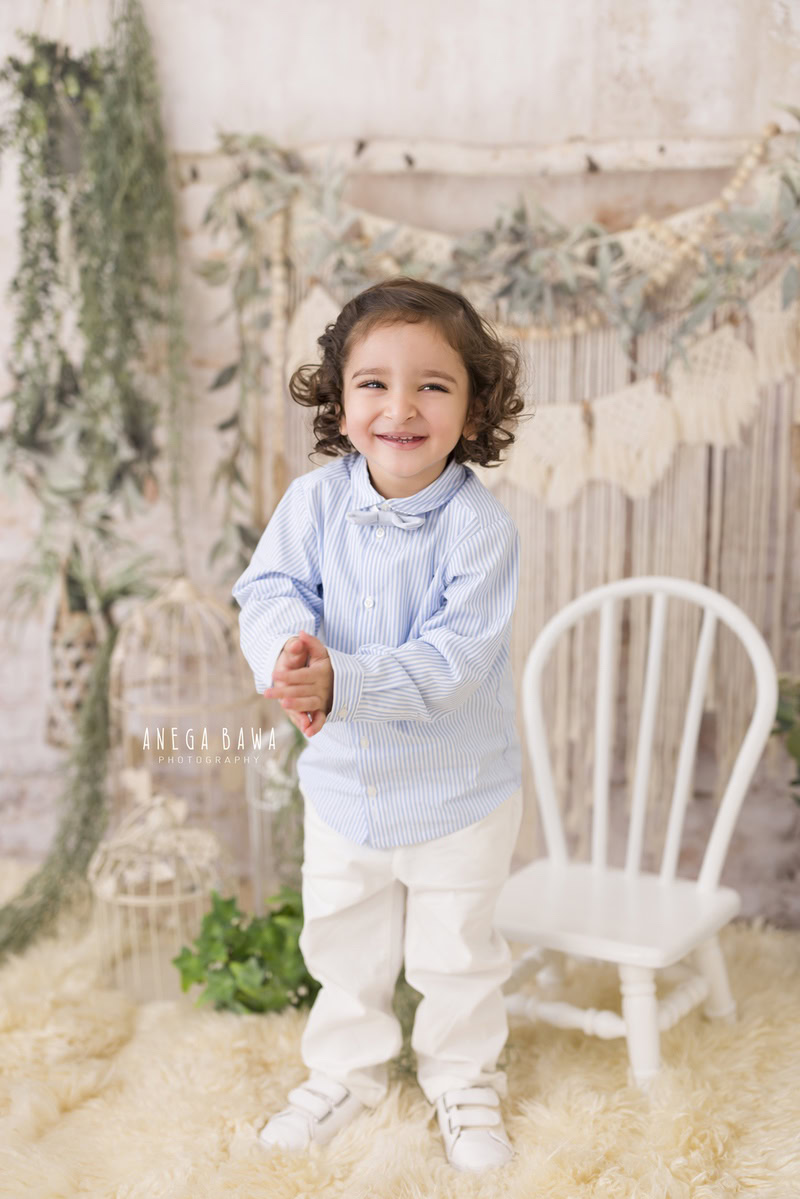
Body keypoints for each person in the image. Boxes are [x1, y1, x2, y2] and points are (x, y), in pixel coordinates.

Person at [231, 275, 528, 1174]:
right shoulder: (314, 504)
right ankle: (347, 1071)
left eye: (433, 386)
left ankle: (463, 1075)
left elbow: (450, 661)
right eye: (374, 383)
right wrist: (286, 654)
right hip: (346, 787)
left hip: (459, 791)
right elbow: (269, 590)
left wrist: (341, 681)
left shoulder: (479, 530)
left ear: (475, 410)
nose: (401, 406)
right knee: (342, 935)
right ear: (339, 399)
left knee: (456, 947)